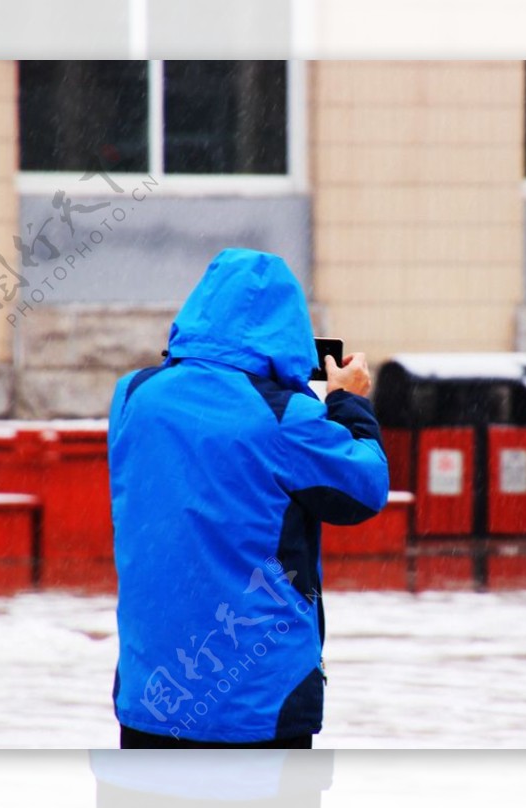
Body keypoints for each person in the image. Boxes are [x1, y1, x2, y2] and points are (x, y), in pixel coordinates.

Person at [107, 247, 390, 747]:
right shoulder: (283, 419)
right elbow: (363, 489)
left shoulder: (133, 396)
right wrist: (347, 401)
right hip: (258, 705)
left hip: (151, 700)